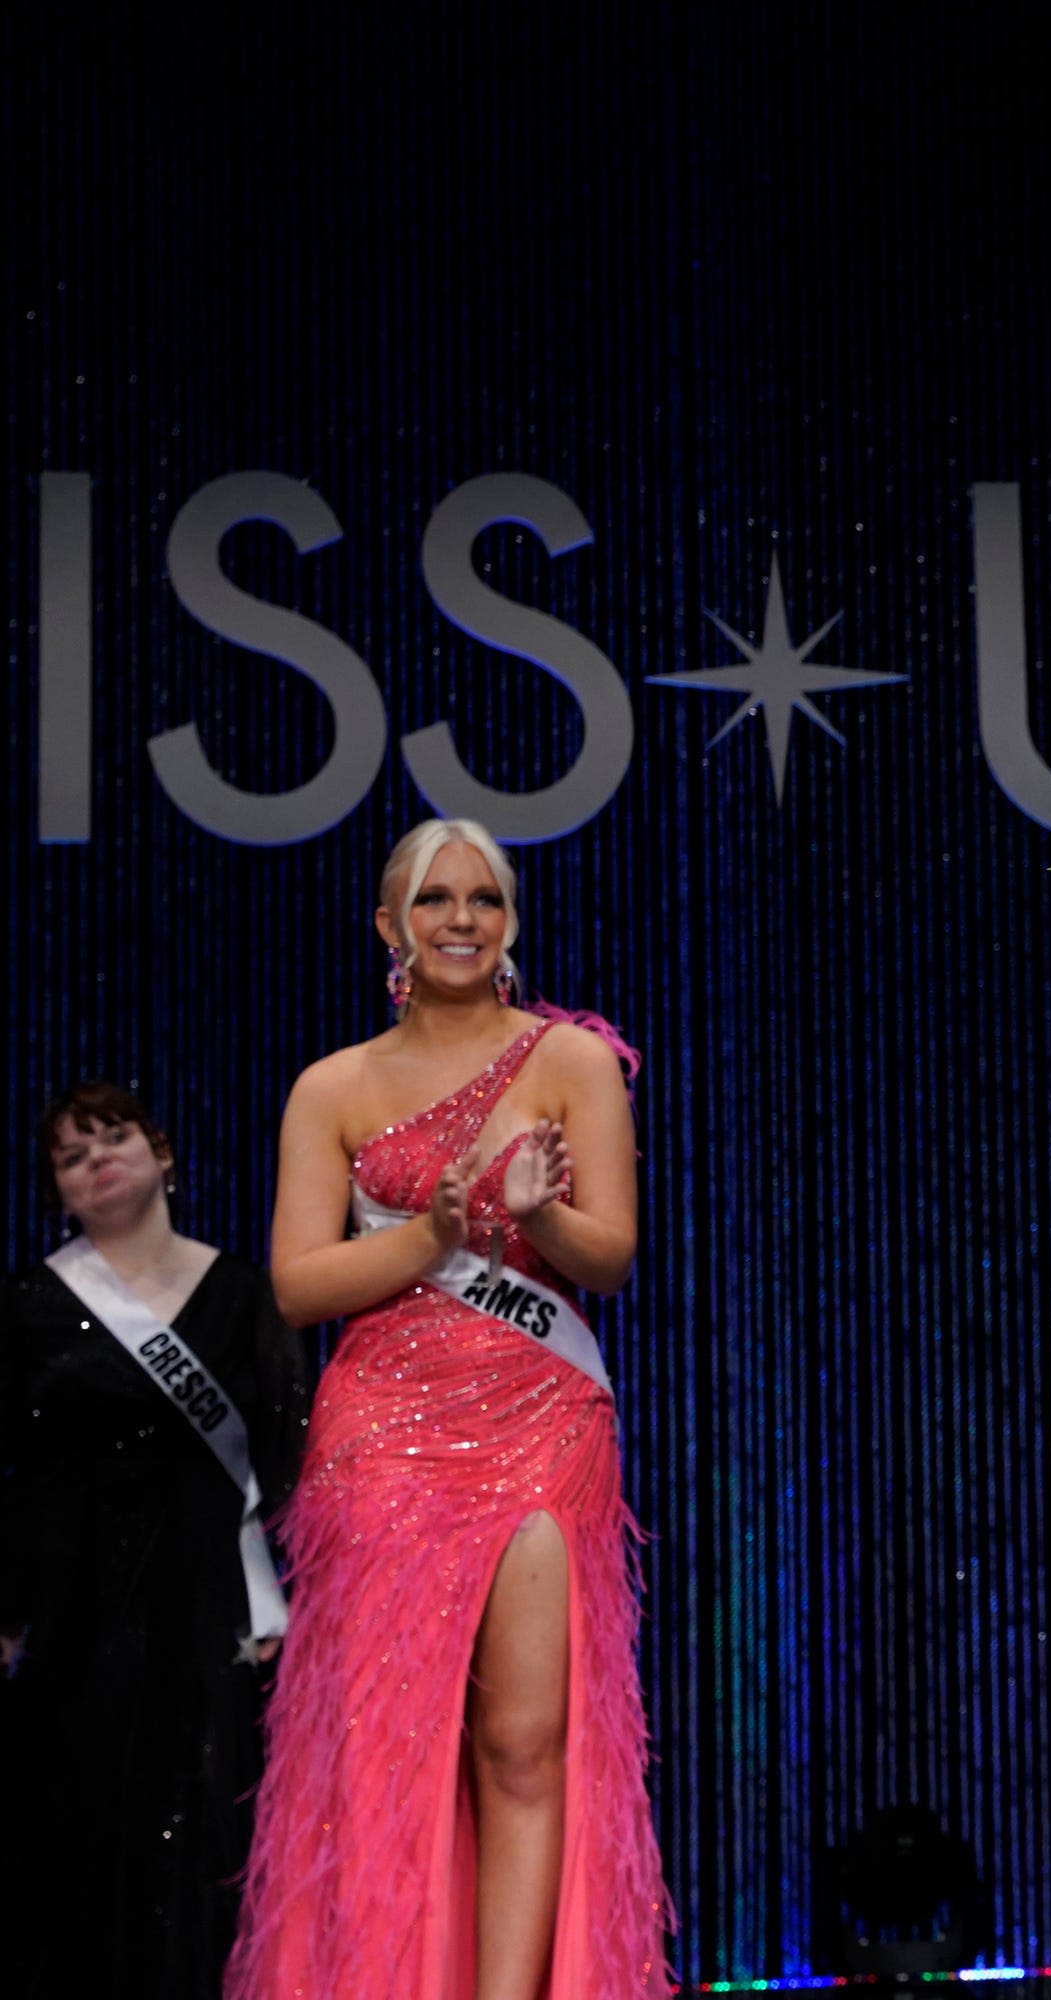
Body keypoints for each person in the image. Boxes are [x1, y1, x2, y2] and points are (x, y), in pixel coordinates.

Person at [229, 819, 665, 2000]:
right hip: (384, 1428)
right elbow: (298, 1282)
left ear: (510, 922)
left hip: (539, 1417)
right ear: (391, 928)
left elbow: (612, 1256)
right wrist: (434, 1232)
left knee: (524, 1742)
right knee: (387, 1751)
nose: (461, 919)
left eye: (483, 899)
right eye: (434, 901)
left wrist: (542, 1216)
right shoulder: (335, 1085)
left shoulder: (569, 1061)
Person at [0, 1083, 305, 1997]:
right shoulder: (24, 1306)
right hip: (70, 1615)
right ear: (57, 1192)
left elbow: (288, 1463)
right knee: (75, 1830)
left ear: (164, 1153)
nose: (97, 1160)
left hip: (212, 1607)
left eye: (113, 1137)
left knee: (208, 1831)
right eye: (70, 1156)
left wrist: (280, 1595)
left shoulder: (246, 1294)